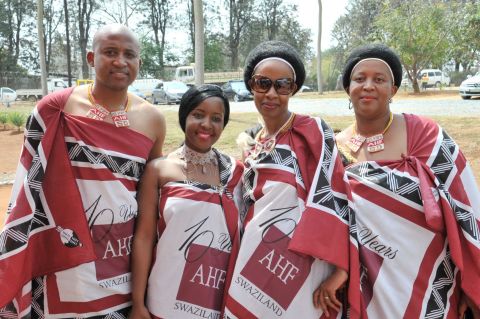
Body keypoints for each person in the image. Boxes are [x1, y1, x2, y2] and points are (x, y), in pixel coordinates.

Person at [0, 24, 166, 317]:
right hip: (64, 257)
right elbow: (28, 187)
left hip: (122, 259)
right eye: (110, 52)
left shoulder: (153, 120)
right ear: (91, 57)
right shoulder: (55, 109)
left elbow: (150, 195)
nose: (120, 61)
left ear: (139, 62)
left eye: (130, 54)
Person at [329, 43, 480, 318]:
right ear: (348, 89)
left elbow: (467, 206)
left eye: (379, 79)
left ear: (393, 90)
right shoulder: (333, 149)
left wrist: (473, 285)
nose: (368, 86)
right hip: (364, 281)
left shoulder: (426, 135)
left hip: (429, 275)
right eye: (359, 79)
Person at [224, 40, 350, 318]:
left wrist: (340, 271)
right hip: (255, 259)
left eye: (281, 85)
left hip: (309, 265)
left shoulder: (313, 130)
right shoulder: (251, 143)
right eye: (262, 83)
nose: (271, 93)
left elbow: (337, 196)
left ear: (292, 89)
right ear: (250, 85)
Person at [130, 84, 243, 319]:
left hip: (217, 295)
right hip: (166, 298)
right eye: (198, 115)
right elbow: (144, 237)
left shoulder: (235, 172)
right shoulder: (159, 170)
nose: (206, 125)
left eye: (216, 118)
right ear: (184, 117)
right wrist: (138, 302)